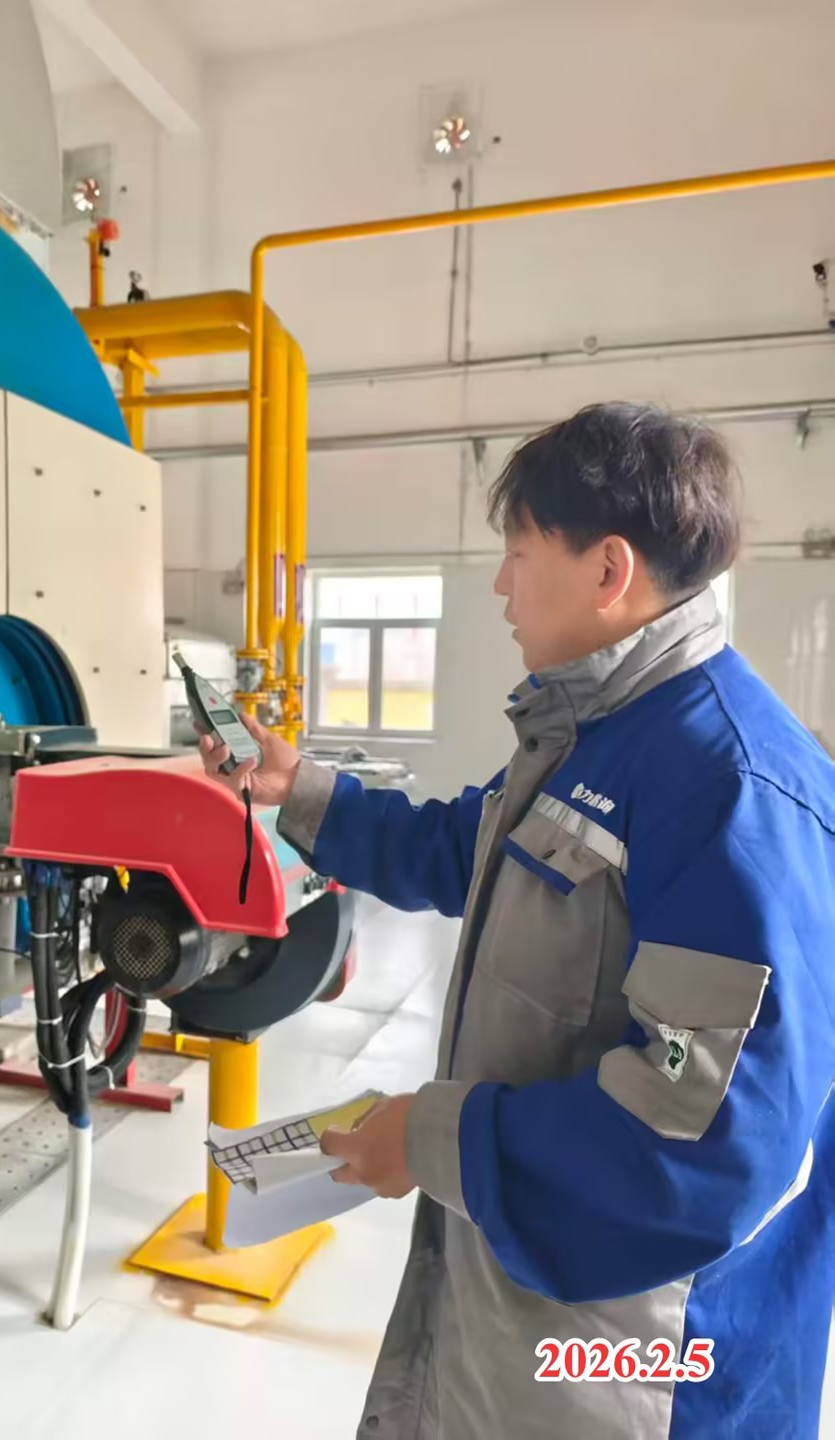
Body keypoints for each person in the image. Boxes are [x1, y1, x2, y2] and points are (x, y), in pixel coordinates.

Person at [199, 402, 835, 1440]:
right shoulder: (597, 734)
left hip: (648, 1361)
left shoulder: (729, 788)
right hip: (538, 1296)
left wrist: (433, 1139)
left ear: (607, 570)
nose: (500, 586)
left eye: (519, 553)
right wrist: (297, 789)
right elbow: (466, 849)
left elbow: (700, 1147)